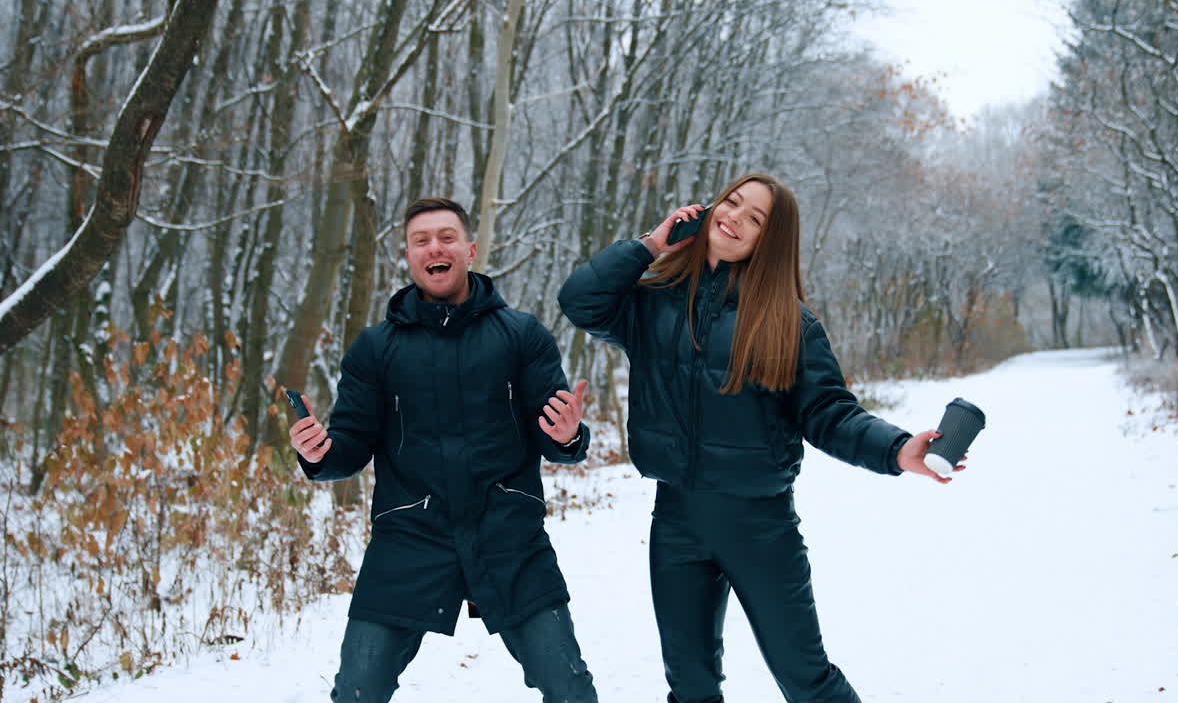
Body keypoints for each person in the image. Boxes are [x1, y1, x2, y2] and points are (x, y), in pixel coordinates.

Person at [558, 173, 965, 703]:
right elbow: (580, 300)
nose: (735, 218)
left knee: (805, 678)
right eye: (731, 203)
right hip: (676, 520)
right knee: (690, 686)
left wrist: (897, 450)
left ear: (769, 241)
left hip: (760, 527)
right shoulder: (652, 302)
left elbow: (830, 414)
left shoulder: (789, 323)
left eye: (755, 219)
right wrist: (652, 244)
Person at [290, 197, 598, 703]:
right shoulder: (375, 348)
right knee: (358, 689)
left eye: (447, 237)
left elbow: (557, 440)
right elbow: (348, 448)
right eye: (421, 240)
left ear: (470, 250)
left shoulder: (522, 336)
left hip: (509, 536)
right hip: (409, 537)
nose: (435, 247)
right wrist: (318, 453)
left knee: (569, 686)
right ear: (409, 257)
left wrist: (568, 436)